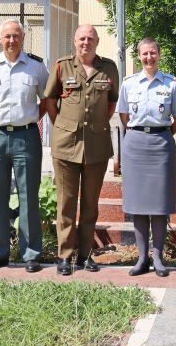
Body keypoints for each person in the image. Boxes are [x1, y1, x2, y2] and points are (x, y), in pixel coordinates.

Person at [0, 19, 49, 272]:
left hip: (26, 137)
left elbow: (46, 99)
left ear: (23, 38)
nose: (12, 41)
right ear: (0, 40)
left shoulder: (36, 66)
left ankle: (31, 254)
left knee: (28, 197)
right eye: (7, 37)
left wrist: (30, 118)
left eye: (16, 36)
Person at [43, 24, 120, 276]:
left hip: (96, 145)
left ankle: (85, 255)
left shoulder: (108, 68)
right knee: (65, 203)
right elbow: (51, 102)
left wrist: (94, 127)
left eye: (90, 38)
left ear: (97, 42)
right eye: (81, 39)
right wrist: (65, 127)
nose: (85, 42)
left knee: (90, 204)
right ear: (74, 41)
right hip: (66, 145)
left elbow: (111, 103)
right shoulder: (62, 65)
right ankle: (64, 256)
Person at [116, 38, 176, 277]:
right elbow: (124, 116)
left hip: (161, 145)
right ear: (139, 56)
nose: (149, 58)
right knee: (138, 205)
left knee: (159, 205)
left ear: (159, 55)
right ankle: (142, 257)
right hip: (135, 145)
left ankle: (158, 256)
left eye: (153, 53)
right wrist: (141, 132)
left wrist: (158, 133)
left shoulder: (171, 84)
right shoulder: (129, 84)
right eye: (144, 54)